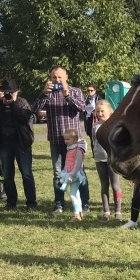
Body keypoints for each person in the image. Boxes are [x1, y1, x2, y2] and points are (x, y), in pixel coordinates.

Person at [32, 66, 90, 214]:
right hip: (56, 139)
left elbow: (82, 108)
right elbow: (34, 109)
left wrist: (67, 95)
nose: (57, 80)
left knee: (79, 172)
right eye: (54, 77)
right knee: (58, 173)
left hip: (74, 142)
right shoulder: (48, 93)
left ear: (66, 77)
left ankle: (84, 204)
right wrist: (44, 93)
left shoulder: (75, 91)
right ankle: (59, 205)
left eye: (59, 77)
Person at [0, 79, 37, 210]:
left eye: (10, 92)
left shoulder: (22, 102)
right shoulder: (0, 103)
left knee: (26, 173)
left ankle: (31, 203)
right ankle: (11, 202)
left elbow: (24, 117)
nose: (8, 95)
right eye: (5, 92)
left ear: (16, 92)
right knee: (8, 174)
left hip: (21, 142)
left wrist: (13, 104)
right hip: (5, 142)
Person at [92, 100, 123, 220]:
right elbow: (94, 140)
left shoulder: (114, 125)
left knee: (115, 185)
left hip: (112, 159)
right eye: (97, 111)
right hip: (100, 159)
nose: (100, 114)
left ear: (109, 112)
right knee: (104, 185)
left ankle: (118, 212)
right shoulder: (95, 126)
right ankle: (106, 211)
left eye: (102, 111)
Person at [58, 128, 87, 221]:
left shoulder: (78, 150)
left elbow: (78, 164)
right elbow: (68, 163)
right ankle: (79, 212)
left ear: (75, 139)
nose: (66, 141)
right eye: (65, 139)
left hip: (75, 175)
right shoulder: (70, 149)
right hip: (70, 173)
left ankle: (76, 215)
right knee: (76, 193)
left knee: (72, 195)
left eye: (68, 139)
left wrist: (71, 175)